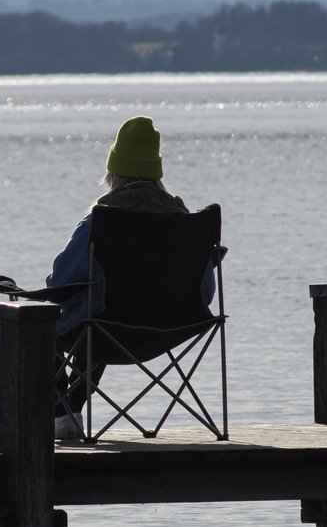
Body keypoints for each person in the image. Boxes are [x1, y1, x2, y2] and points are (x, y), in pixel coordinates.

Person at [45, 116, 214, 438]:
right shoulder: (187, 224)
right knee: (103, 312)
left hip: (107, 331)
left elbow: (59, 286)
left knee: (53, 319)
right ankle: (69, 407)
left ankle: (61, 409)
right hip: (172, 330)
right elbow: (204, 293)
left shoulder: (102, 220)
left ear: (113, 172)